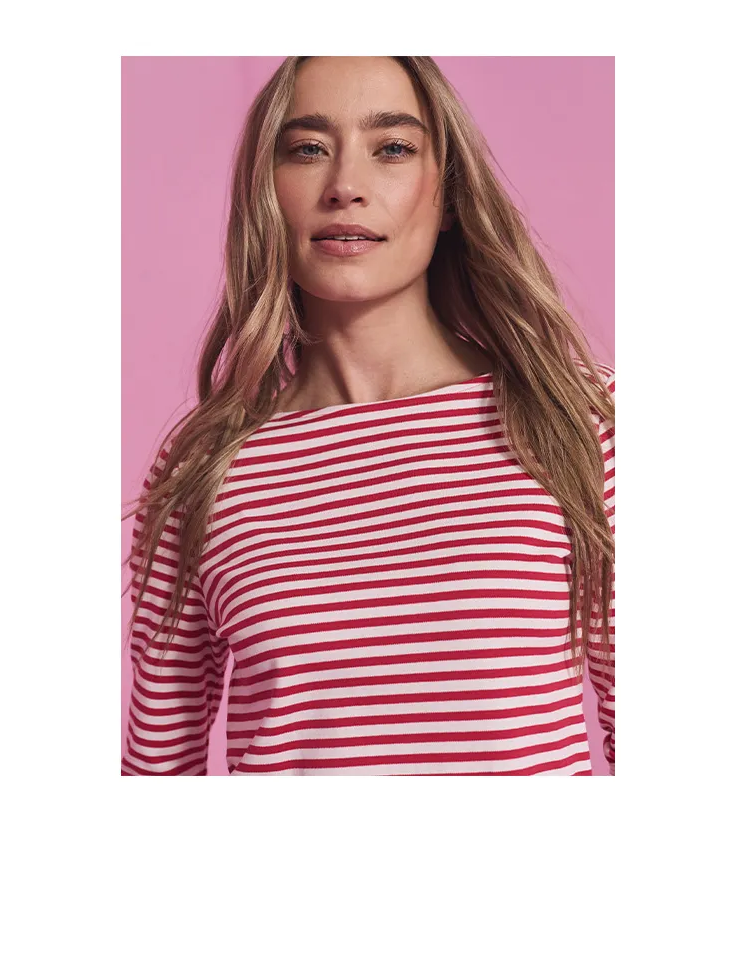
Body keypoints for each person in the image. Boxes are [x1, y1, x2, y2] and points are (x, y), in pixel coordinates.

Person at [121, 56, 615, 776]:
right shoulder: (204, 466)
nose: (345, 186)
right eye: (307, 149)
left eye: (392, 148)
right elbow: (157, 774)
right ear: (264, 191)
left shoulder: (578, 418)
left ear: (447, 193)